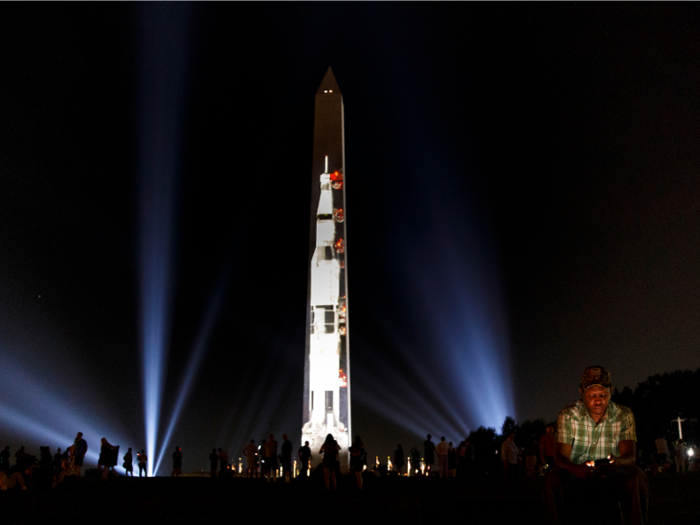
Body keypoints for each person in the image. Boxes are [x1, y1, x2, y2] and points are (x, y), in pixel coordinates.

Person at [543, 365, 648, 525]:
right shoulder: (568, 415)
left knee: (636, 475)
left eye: (603, 394)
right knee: (553, 477)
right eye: (592, 395)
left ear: (611, 391)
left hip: (612, 477)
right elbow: (560, 457)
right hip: (577, 477)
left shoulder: (624, 415)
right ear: (581, 392)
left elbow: (630, 456)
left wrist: (615, 463)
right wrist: (578, 469)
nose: (598, 400)